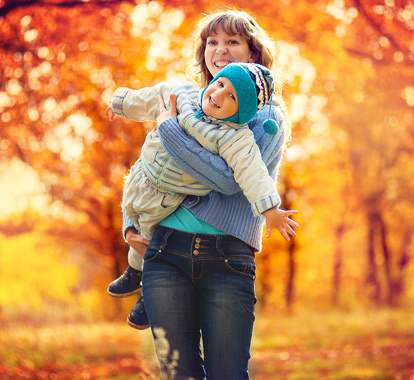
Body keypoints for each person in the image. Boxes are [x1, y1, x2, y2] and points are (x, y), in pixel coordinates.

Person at [125, 9, 296, 379]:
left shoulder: (267, 117)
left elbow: (227, 179)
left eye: (232, 41)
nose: (219, 50)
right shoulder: (189, 101)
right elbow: (149, 169)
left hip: (228, 260)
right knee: (179, 374)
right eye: (212, 42)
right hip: (165, 253)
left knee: (228, 375)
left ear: (253, 53)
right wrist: (129, 228)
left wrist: (170, 130)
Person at [106, 62, 295, 330]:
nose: (218, 95)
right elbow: (151, 97)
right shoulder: (184, 94)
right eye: (220, 84)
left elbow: (252, 171)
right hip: (140, 177)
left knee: (146, 234)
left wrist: (270, 209)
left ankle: (141, 277)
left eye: (232, 97)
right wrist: (120, 102)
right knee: (131, 223)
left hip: (165, 197)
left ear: (241, 113)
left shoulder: (234, 137)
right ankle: (134, 271)